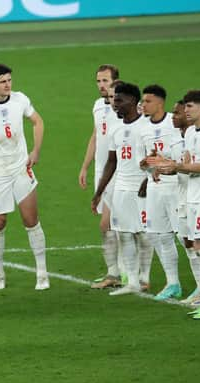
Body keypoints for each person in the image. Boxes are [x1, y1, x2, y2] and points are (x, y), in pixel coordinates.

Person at [0, 63, 49, 291]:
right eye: (3, 82)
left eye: (10, 80)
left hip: (20, 168)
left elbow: (38, 121)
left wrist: (36, 151)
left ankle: (42, 273)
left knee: (31, 219)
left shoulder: (20, 99)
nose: (8, 85)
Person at [150, 89, 200, 320]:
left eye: (190, 106)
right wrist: (164, 165)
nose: (186, 110)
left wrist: (177, 167)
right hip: (191, 196)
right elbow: (186, 163)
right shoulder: (191, 132)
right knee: (195, 244)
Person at [91, 82, 149, 296]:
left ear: (133, 101)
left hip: (142, 187)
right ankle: (132, 281)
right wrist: (98, 192)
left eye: (119, 100)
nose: (114, 104)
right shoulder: (116, 128)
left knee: (143, 233)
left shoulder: (146, 126)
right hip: (121, 187)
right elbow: (111, 162)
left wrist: (148, 181)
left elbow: (156, 155)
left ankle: (146, 278)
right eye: (114, 100)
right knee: (124, 233)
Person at [79, 64, 124, 289]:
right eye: (98, 81)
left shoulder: (125, 105)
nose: (101, 85)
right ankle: (118, 273)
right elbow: (96, 136)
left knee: (109, 224)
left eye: (105, 81)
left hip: (119, 171)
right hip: (102, 170)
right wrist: (85, 166)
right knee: (110, 224)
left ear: (115, 81)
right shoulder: (97, 106)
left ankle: (119, 273)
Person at [139, 85, 182, 300]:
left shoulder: (174, 122)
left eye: (147, 101)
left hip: (175, 186)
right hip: (155, 187)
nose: (143, 105)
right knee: (158, 235)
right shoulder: (143, 127)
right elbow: (143, 161)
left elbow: (186, 154)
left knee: (185, 237)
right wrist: (147, 164)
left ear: (159, 103)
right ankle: (173, 283)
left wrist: (164, 164)